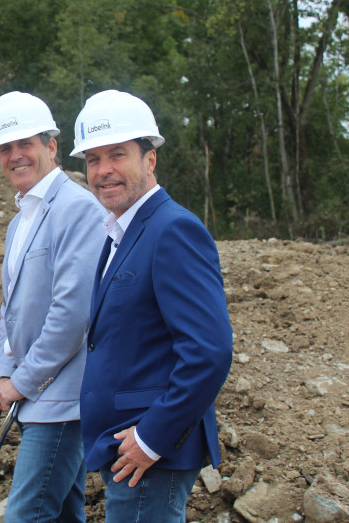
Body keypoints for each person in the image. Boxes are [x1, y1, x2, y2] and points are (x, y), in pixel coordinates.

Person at [69, 90, 233, 522]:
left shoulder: (173, 229)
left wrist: (152, 438)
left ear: (150, 159)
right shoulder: (121, 232)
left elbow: (208, 351)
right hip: (125, 443)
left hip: (150, 449)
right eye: (92, 159)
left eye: (117, 155)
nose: (103, 170)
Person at [0, 92, 106, 522]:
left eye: (25, 144)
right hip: (37, 394)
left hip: (64, 399)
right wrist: (2, 372)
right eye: (5, 148)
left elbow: (73, 313)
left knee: (27, 515)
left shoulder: (78, 210)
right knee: (67, 513)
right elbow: (11, 310)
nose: (15, 156)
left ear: (51, 146)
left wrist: (22, 382)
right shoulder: (20, 222)